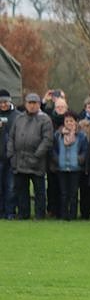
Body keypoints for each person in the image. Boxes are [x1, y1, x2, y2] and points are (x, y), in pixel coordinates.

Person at [8, 93, 54, 220]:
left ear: (39, 104)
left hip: (37, 162)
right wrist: (11, 155)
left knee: (39, 191)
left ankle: (39, 214)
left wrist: (37, 155)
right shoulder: (19, 118)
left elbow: (47, 140)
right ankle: (23, 213)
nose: (32, 106)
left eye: (35, 103)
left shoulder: (45, 119)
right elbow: (11, 137)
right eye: (30, 103)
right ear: (26, 104)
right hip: (19, 160)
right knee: (21, 190)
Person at [52, 111, 88, 220]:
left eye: (71, 121)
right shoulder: (58, 135)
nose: (69, 123)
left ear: (76, 122)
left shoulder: (81, 135)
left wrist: (80, 159)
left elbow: (85, 150)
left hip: (75, 168)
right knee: (63, 193)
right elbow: (53, 150)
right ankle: (63, 214)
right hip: (62, 167)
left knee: (73, 194)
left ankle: (72, 215)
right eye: (67, 121)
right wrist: (57, 160)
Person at [0, 89, 20, 219]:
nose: (3, 105)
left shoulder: (17, 115)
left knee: (11, 186)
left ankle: (10, 212)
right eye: (0, 102)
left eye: (5, 102)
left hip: (12, 157)